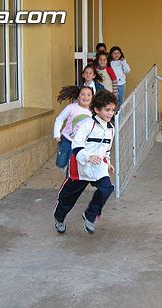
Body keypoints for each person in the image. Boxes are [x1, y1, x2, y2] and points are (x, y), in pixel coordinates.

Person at [53, 90, 117, 235]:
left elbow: (106, 150)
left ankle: (90, 215)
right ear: (96, 109)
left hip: (98, 166)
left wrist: (108, 163)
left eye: (112, 110)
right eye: (107, 110)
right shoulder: (87, 125)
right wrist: (87, 157)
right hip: (80, 167)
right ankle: (59, 217)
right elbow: (76, 145)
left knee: (106, 188)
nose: (110, 113)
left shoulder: (111, 129)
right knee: (68, 198)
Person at [53, 86, 93, 173]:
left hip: (78, 142)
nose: (85, 97)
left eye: (88, 95)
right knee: (61, 161)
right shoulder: (71, 107)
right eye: (83, 94)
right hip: (66, 138)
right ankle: (62, 164)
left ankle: (69, 179)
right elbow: (59, 119)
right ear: (78, 97)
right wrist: (56, 134)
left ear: (92, 98)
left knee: (72, 163)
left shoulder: (92, 112)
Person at [109, 46, 131, 111]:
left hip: (122, 84)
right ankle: (115, 115)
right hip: (113, 84)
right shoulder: (109, 63)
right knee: (114, 101)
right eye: (114, 53)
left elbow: (128, 70)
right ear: (111, 54)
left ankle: (120, 116)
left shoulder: (122, 62)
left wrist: (124, 62)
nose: (116, 55)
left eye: (118, 53)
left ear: (120, 54)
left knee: (121, 100)